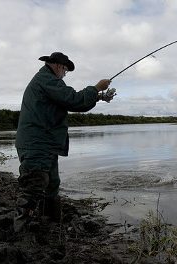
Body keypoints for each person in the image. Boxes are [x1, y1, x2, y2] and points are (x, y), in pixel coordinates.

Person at [14, 52, 115, 232]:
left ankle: (51, 225)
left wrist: (99, 97)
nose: (65, 73)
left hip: (45, 143)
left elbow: (69, 101)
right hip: (37, 143)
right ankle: (20, 233)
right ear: (58, 66)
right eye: (66, 70)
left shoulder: (47, 81)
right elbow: (74, 100)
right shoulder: (46, 79)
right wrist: (96, 87)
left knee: (51, 185)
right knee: (34, 185)